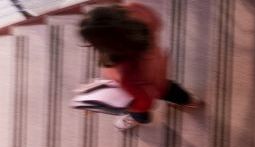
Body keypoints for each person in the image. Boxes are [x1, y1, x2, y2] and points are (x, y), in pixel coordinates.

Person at [77, 2, 202, 131]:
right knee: (170, 90)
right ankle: (189, 101)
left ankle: (137, 119)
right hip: (157, 70)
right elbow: (156, 21)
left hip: (141, 89)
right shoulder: (135, 10)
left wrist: (97, 102)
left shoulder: (124, 72)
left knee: (139, 111)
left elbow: (144, 103)